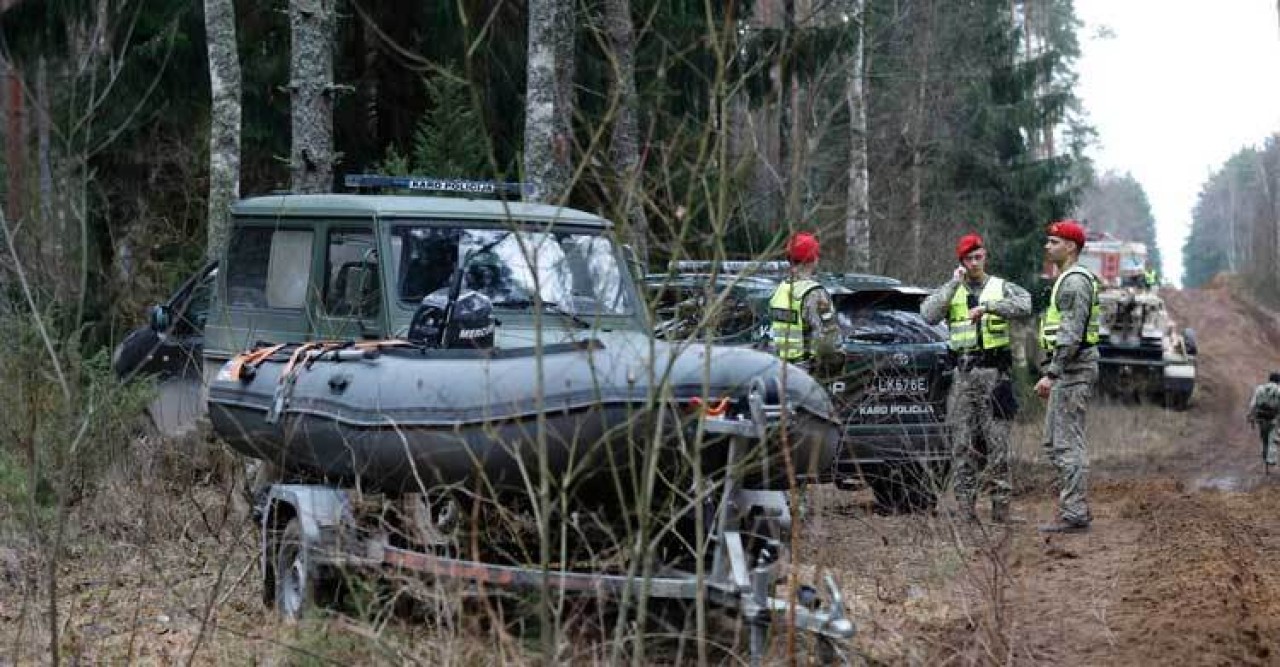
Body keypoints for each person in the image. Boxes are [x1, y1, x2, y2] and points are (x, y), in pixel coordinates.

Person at [921, 233, 1032, 524]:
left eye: (978, 256)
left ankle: (1001, 510)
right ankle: (965, 511)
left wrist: (989, 307)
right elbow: (928, 315)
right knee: (961, 445)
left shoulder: (1000, 287)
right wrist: (952, 283)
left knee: (998, 444)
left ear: (986, 256)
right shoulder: (953, 290)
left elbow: (1025, 304)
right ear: (961, 262)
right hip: (963, 375)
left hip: (994, 376)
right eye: (969, 258)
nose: (974, 263)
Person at [1035, 220, 1100, 533]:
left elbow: (1071, 334)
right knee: (1053, 442)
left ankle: (1073, 513)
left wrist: (1052, 373)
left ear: (1071, 247)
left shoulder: (1074, 282)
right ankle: (1072, 507)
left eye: (1053, 242)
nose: (1047, 247)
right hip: (1067, 371)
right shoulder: (1065, 279)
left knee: (1066, 444)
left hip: (1072, 370)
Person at [769, 232, 841, 376]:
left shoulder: (779, 289)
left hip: (779, 371)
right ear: (813, 259)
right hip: (805, 374)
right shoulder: (814, 293)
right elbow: (828, 343)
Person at [1246, 372, 1280, 471]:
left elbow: (1253, 404)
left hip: (1261, 417)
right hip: (1273, 418)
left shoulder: (1259, 389)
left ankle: (1265, 454)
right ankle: (1271, 459)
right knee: (1272, 438)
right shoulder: (1278, 390)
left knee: (1264, 437)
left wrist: (1250, 415)